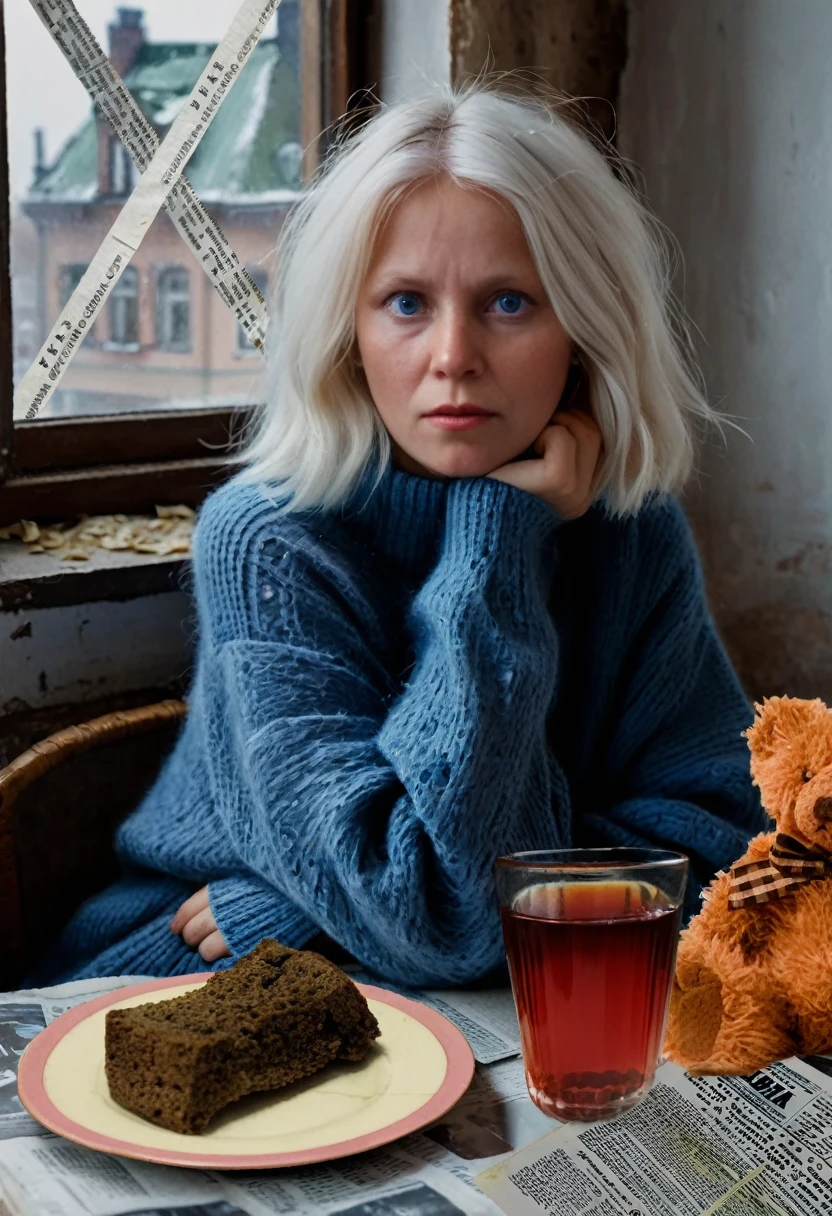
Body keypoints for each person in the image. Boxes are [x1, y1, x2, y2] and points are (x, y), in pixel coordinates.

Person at [33, 83, 767, 987]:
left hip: (356, 955)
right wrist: (501, 540)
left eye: (508, 303)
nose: (453, 354)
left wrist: (313, 902)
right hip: (187, 969)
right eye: (406, 303)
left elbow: (731, 847)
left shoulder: (629, 528)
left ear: (583, 327)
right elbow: (448, 917)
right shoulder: (269, 544)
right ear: (349, 330)